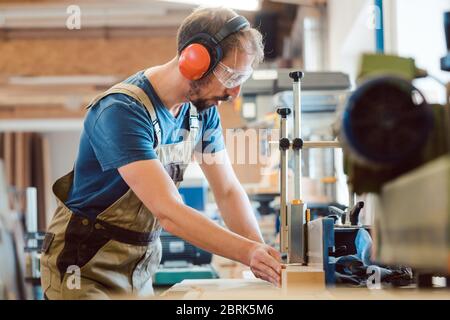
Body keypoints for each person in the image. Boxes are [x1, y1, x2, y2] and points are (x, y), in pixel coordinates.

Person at [40, 6, 281, 300]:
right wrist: (248, 252)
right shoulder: (121, 111)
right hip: (86, 267)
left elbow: (228, 191)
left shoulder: (201, 113)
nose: (234, 94)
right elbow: (169, 212)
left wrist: (264, 257)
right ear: (195, 61)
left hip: (138, 269)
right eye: (230, 77)